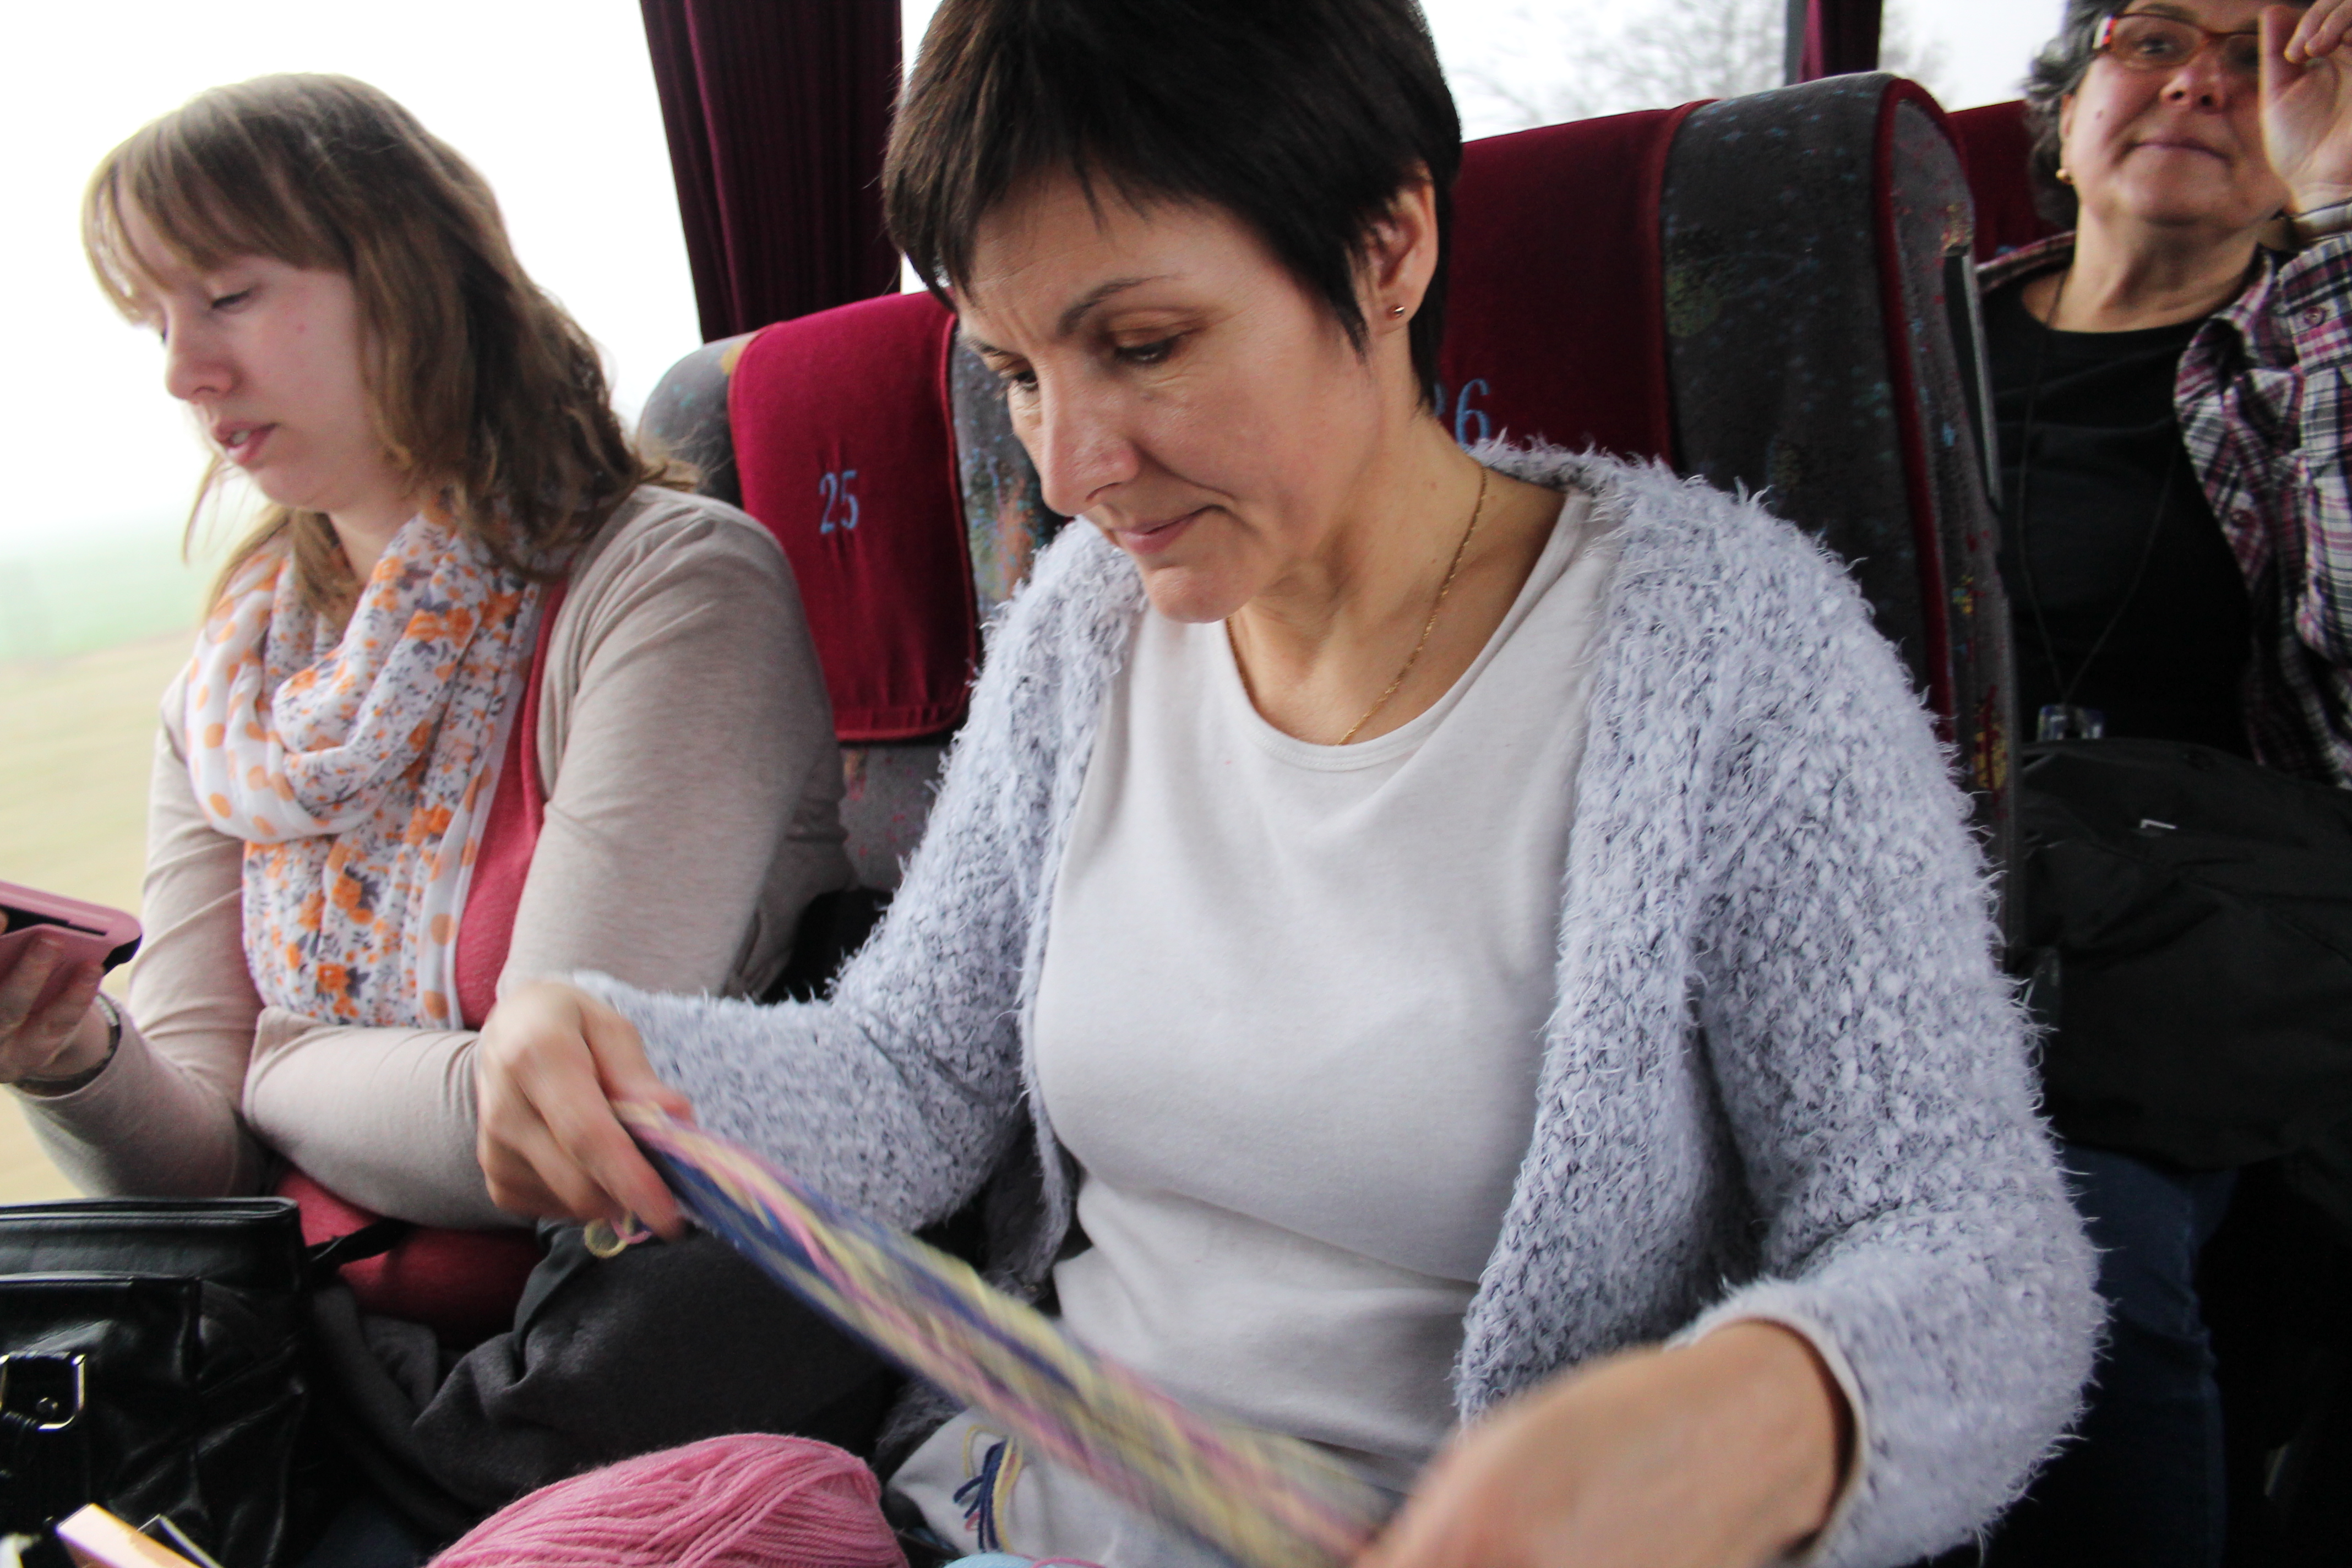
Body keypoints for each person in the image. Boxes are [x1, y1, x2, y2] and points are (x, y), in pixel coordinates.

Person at [474, 3, 2099, 1565]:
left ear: (1387, 250)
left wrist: (1756, 1417)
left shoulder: (1731, 660)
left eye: (1145, 346)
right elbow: (914, 1078)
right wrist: (627, 1058)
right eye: (1018, 372)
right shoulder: (1084, 635)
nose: (1069, 470)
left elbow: (1974, 1247)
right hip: (1008, 1511)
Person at [0, 74, 852, 1235]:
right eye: (157, 322)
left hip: (578, 1324)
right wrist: (74, 1055)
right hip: (314, 1325)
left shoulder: (674, 590)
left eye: (229, 296)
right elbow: (200, 1174)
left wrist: (280, 1062)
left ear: (410, 279)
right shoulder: (231, 693)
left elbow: (551, 1129)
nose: (182, 370)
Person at [1975, 2, 2352, 1561]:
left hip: (2201, 937)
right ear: (2064, 118)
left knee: (2082, 1257)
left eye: (2264, 60)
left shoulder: (2312, 346)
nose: (2202, 79)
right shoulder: (1899, 329)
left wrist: (2339, 211)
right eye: (2154, 39)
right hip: (1893, 881)